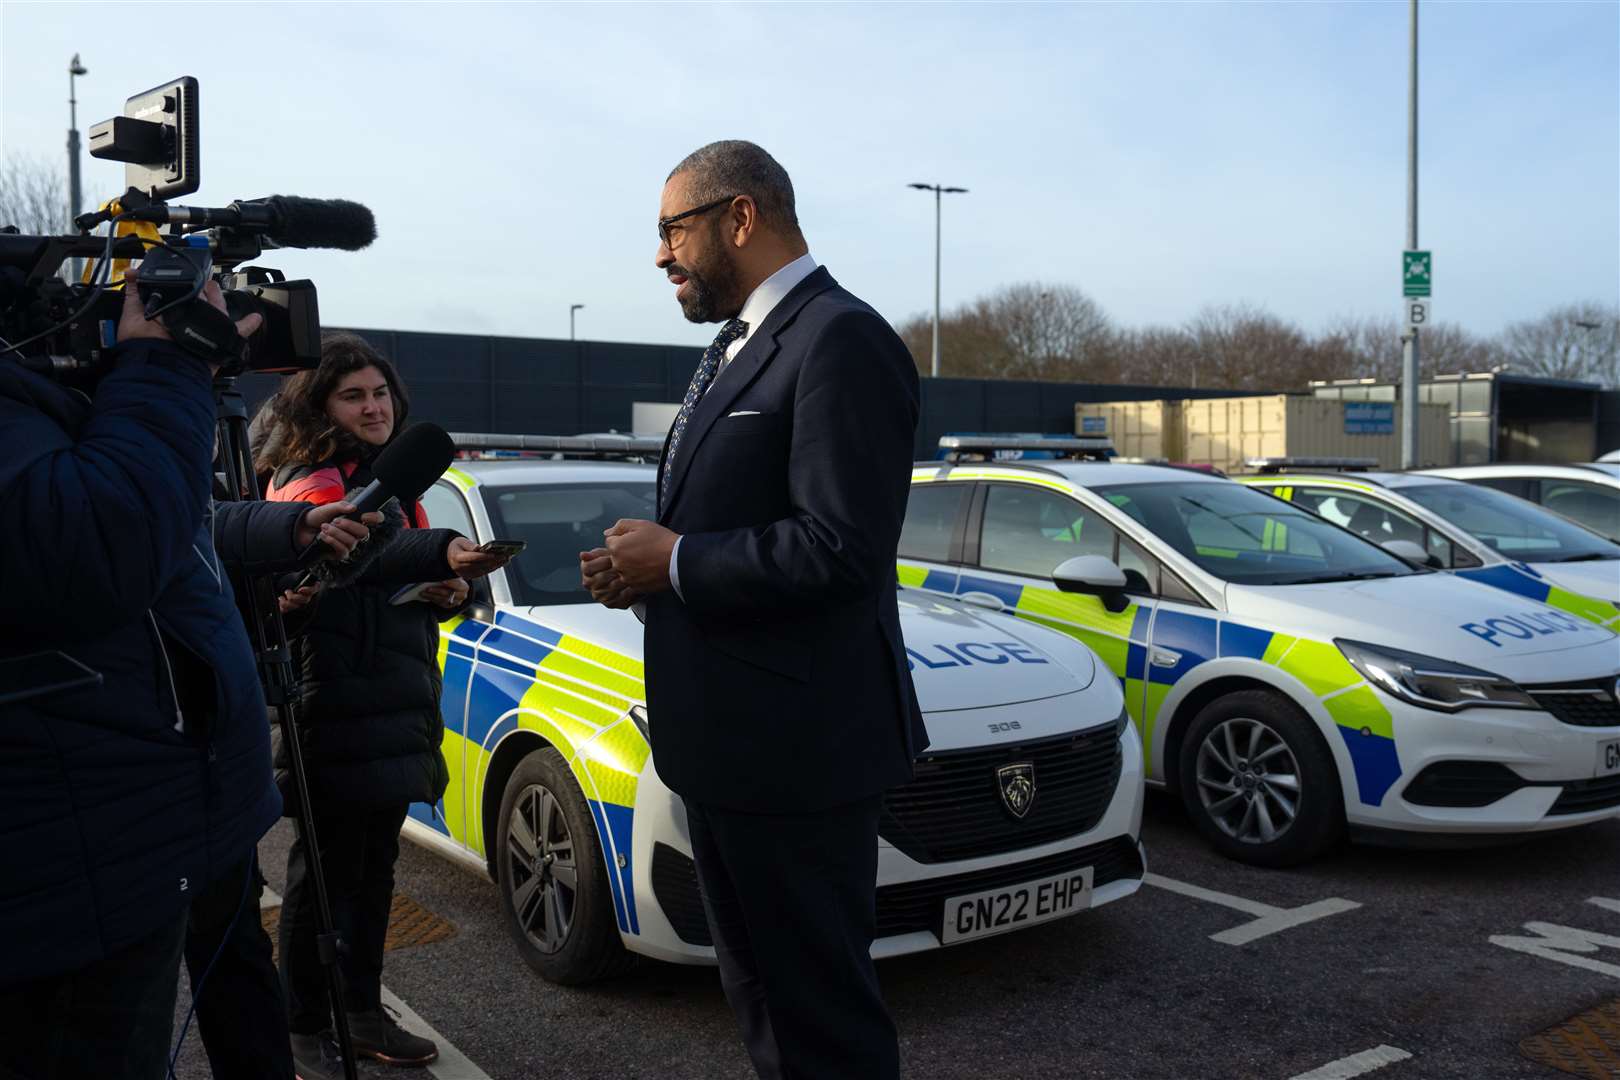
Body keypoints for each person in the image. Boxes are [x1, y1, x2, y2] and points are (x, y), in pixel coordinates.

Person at [580, 141, 928, 1080]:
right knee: (765, 1008)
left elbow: (842, 549)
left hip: (798, 759)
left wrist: (681, 559)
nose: (660, 256)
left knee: (821, 1022)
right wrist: (649, 572)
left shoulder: (839, 337)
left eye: (670, 230)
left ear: (740, 217)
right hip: (726, 751)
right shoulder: (736, 345)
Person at [0, 277, 283, 1079]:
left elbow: (180, 524)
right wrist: (163, 367)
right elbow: (100, 539)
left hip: (151, 823)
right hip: (72, 869)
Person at [253, 332, 507, 1077]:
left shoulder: (389, 482)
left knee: (374, 870)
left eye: (381, 392)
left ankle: (361, 1013)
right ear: (321, 406)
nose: (374, 407)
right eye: (353, 395)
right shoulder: (311, 483)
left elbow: (382, 582)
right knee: (324, 876)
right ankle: (301, 1026)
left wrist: (445, 591)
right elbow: (350, 562)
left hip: (395, 701)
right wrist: (437, 557)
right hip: (333, 702)